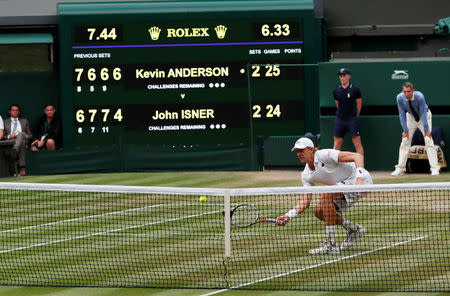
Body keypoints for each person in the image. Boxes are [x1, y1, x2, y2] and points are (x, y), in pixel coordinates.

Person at [276, 137, 372, 255]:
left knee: (326, 194)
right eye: (297, 151)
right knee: (319, 212)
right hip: (343, 187)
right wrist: (288, 216)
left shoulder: (325, 155)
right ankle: (353, 228)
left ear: (311, 150)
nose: (299, 154)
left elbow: (357, 156)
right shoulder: (306, 175)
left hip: (360, 181)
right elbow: (305, 201)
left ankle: (331, 244)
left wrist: (360, 180)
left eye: (301, 150)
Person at [391, 82, 440, 176]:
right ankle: (400, 168)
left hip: (424, 116)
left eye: (408, 91)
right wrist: (405, 130)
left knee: (428, 140)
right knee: (405, 140)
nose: (406, 94)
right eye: (404, 91)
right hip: (410, 117)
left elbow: (423, 113)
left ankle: (434, 168)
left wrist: (426, 130)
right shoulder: (399, 98)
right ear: (402, 91)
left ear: (413, 91)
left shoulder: (420, 97)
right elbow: (401, 114)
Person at [333, 68, 364, 156]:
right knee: (337, 144)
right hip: (340, 119)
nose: (342, 78)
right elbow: (337, 104)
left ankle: (360, 167)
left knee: (357, 144)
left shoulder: (355, 89)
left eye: (344, 76)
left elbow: (359, 104)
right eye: (340, 76)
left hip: (352, 119)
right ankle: (334, 167)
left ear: (349, 76)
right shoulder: (336, 91)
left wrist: (354, 116)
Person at [4, 104, 32, 176]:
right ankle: (22, 168)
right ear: (10, 112)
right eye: (13, 110)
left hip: (23, 139)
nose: (15, 112)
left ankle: (15, 150)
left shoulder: (24, 121)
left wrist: (24, 135)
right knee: (21, 143)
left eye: (17, 110)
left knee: (21, 135)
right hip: (11, 141)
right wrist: (10, 136)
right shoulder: (5, 122)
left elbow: (30, 135)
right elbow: (3, 136)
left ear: (19, 112)